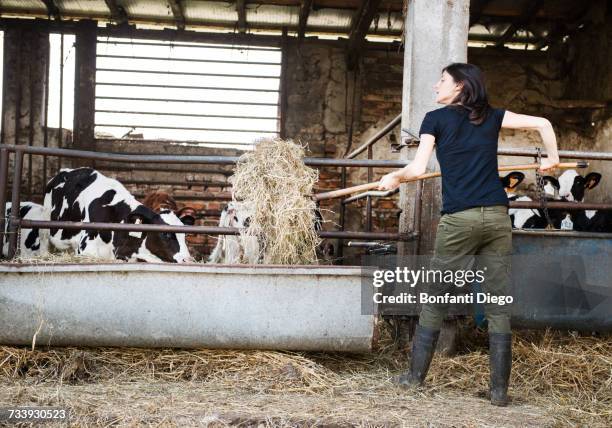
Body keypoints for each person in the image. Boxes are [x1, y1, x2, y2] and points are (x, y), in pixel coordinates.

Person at [377, 63, 560, 406]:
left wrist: (394, 178)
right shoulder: (492, 116)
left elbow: (418, 169)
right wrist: (552, 159)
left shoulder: (435, 119)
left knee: (434, 294)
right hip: (496, 216)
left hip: (460, 219)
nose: (435, 85)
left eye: (442, 80)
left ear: (460, 86)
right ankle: (498, 392)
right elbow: (543, 123)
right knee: (498, 301)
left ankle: (414, 378)